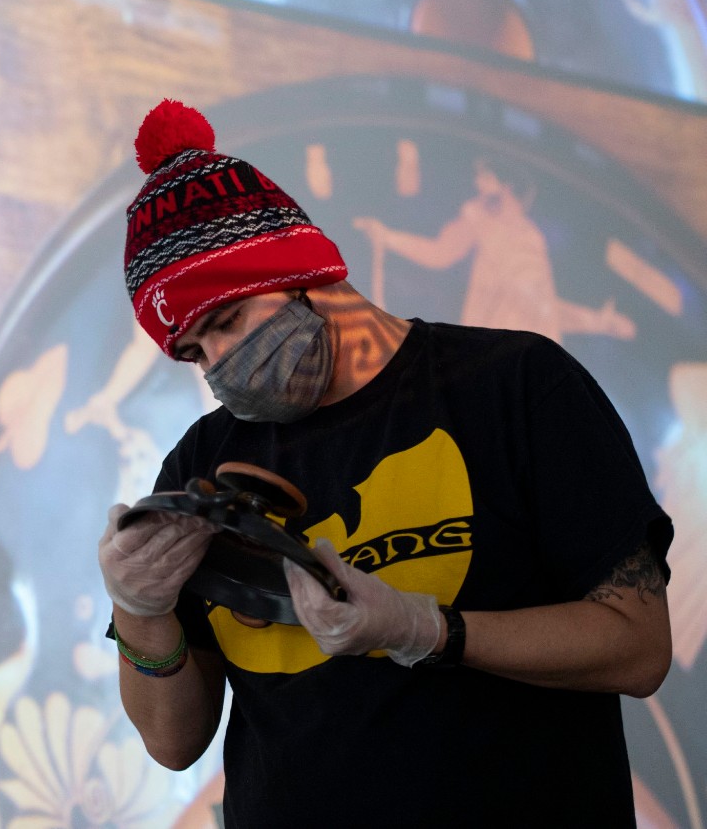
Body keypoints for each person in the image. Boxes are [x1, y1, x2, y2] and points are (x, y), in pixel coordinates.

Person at [97, 99, 673, 826]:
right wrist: (141, 611)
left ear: (300, 269)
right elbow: (173, 742)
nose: (218, 365)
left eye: (227, 322)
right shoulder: (203, 464)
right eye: (194, 352)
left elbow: (638, 646)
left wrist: (425, 630)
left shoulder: (515, 387)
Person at [351, 156, 635, 343]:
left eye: (486, 178)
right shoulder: (479, 217)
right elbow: (440, 253)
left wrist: (597, 322)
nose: (478, 184)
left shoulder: (530, 238)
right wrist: (388, 237)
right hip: (490, 342)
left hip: (523, 350)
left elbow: (542, 305)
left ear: (506, 186)